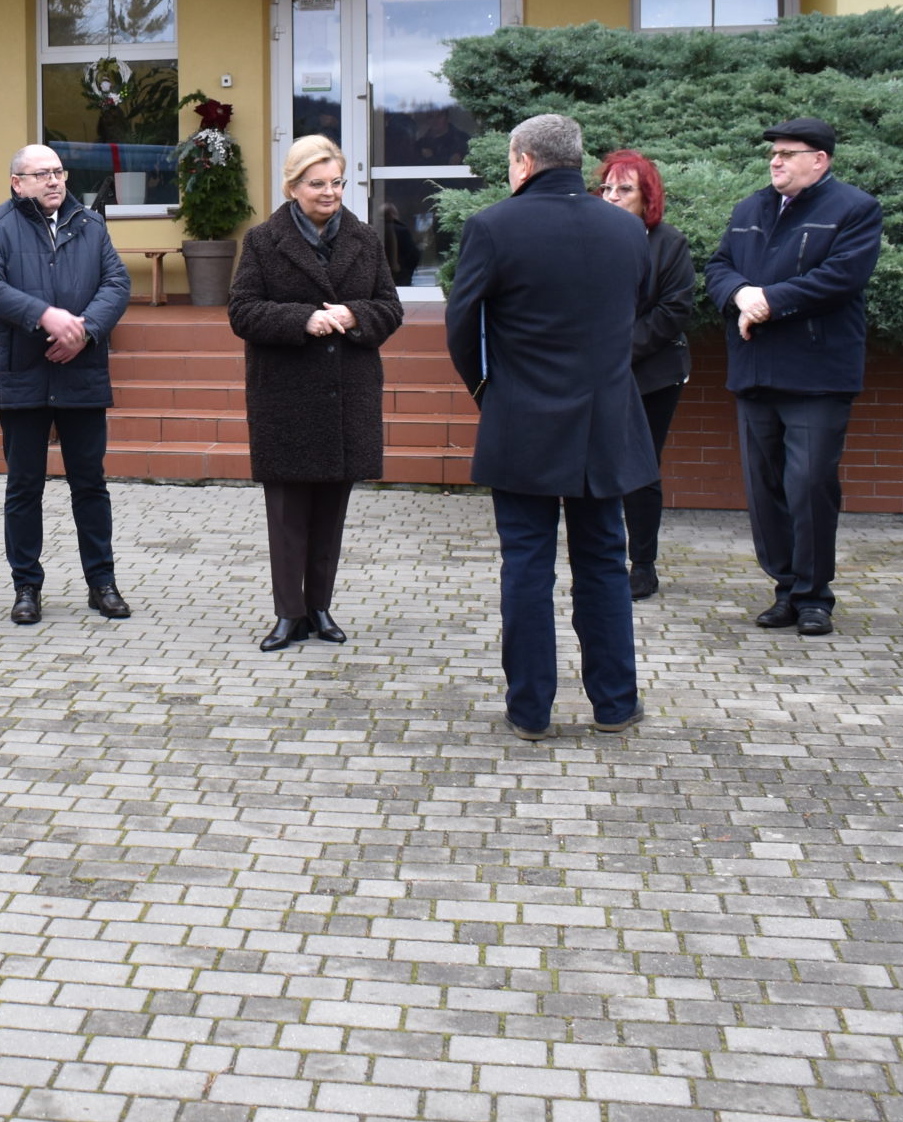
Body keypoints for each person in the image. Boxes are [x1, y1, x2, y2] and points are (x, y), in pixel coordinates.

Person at [446, 114, 656, 740]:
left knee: (527, 566)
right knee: (604, 561)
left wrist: (489, 392)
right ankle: (615, 704)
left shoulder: (492, 225)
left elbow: (462, 326)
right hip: (605, 421)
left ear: (523, 161)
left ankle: (530, 710)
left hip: (522, 421)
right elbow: (630, 310)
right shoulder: (627, 229)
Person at [702, 118, 884, 638]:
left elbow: (840, 278)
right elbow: (718, 266)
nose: (776, 161)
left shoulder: (854, 209)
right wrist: (739, 294)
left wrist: (767, 301)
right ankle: (785, 588)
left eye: (787, 153)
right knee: (765, 490)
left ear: (819, 160)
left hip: (816, 374)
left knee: (808, 486)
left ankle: (813, 596)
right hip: (756, 369)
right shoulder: (750, 208)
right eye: (773, 154)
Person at [228, 135, 405, 652]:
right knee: (287, 515)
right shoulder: (263, 241)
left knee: (331, 512)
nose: (329, 192)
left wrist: (354, 314)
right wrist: (303, 319)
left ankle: (320, 608)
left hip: (347, 395)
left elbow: (390, 307)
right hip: (286, 397)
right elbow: (242, 312)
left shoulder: (365, 239)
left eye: (336, 183)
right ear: (293, 187)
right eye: (317, 184)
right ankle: (289, 614)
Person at [0, 143, 134, 626]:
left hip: (81, 372)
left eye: (58, 171)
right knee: (24, 487)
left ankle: (102, 583)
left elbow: (117, 284)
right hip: (23, 374)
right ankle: (26, 587)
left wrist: (84, 331)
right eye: (42, 174)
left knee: (90, 485)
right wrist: (45, 316)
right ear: (17, 183)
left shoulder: (91, 224)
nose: (55, 180)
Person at [597, 149, 696, 601]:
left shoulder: (669, 243)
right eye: (607, 188)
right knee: (599, 464)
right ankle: (602, 556)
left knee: (640, 466)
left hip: (652, 373)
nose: (612, 197)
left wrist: (617, 350)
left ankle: (643, 564)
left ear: (647, 197)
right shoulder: (591, 236)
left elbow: (674, 310)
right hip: (597, 371)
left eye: (625, 189)